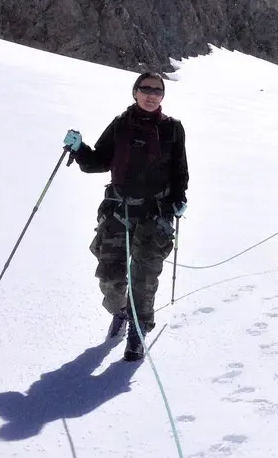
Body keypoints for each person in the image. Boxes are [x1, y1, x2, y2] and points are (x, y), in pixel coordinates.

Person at [62, 72, 188, 362]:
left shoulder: (173, 129)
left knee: (144, 279)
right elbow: (98, 162)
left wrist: (178, 200)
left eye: (157, 90)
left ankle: (138, 331)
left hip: (154, 214)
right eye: (145, 89)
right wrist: (80, 148)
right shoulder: (121, 125)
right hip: (118, 211)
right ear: (135, 92)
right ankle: (120, 310)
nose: (151, 94)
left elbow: (180, 171)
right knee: (111, 278)